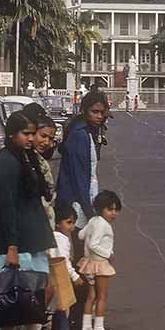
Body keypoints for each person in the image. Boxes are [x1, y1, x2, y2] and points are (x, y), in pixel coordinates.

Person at [0, 112, 57, 330]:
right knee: (13, 300)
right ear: (12, 134)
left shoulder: (26, 158)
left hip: (33, 238)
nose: (30, 138)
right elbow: (6, 207)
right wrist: (12, 247)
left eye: (31, 134)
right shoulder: (7, 161)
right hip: (15, 242)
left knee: (36, 296)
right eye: (25, 134)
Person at [56, 91, 108, 228]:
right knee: (81, 246)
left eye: (102, 113)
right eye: (95, 112)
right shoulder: (79, 135)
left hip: (83, 198)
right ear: (84, 110)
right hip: (76, 202)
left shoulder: (87, 131)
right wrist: (89, 211)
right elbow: (79, 176)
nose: (99, 116)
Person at [78, 190, 121, 330]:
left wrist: (90, 231)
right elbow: (93, 244)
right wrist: (108, 254)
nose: (114, 213)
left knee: (91, 295)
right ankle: (99, 328)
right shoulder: (103, 225)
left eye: (116, 210)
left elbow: (81, 235)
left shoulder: (93, 221)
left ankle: (86, 326)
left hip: (88, 263)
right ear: (101, 208)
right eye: (110, 209)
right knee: (102, 296)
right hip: (100, 264)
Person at [49, 203, 83, 330]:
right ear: (57, 223)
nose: (71, 226)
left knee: (56, 306)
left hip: (52, 274)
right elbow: (64, 260)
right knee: (63, 305)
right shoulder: (61, 238)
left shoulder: (53, 236)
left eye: (73, 223)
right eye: (68, 222)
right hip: (60, 275)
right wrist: (75, 276)